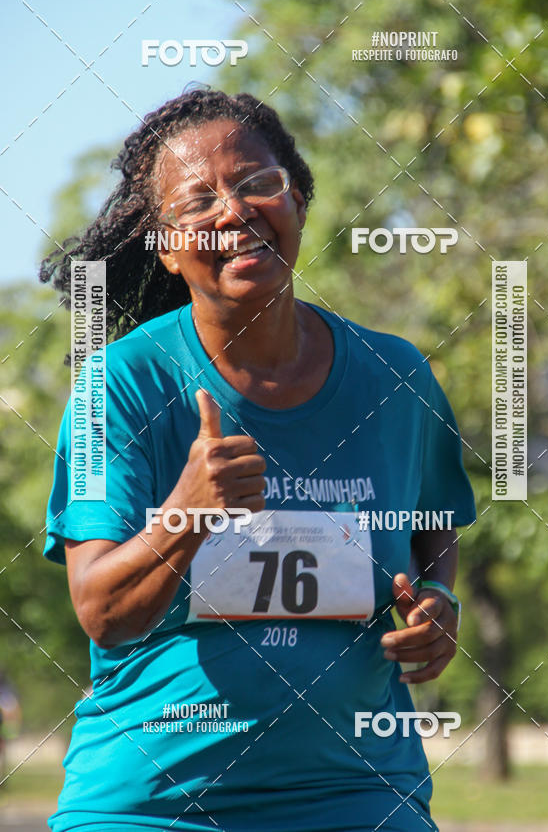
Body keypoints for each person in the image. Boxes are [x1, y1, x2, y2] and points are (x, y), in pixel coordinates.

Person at [41, 87, 476, 832]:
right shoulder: (117, 387)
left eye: (257, 184)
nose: (235, 212)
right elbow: (103, 612)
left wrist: (439, 605)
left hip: (359, 791)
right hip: (156, 802)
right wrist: (188, 512)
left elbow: (434, 525)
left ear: (299, 200)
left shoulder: (398, 378)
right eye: (198, 203)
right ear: (167, 249)